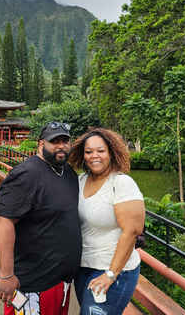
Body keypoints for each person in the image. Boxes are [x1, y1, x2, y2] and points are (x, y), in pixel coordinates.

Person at [0, 121, 82, 315]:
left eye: (65, 140)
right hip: (33, 283)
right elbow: (4, 221)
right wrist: (6, 275)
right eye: (54, 141)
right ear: (41, 144)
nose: (61, 145)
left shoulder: (68, 172)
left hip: (61, 279)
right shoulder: (26, 174)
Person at [70, 128, 145, 315]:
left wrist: (111, 275)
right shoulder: (80, 180)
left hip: (114, 271)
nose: (94, 156)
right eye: (89, 152)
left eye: (100, 151)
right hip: (84, 268)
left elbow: (132, 232)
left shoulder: (121, 184)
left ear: (111, 153)